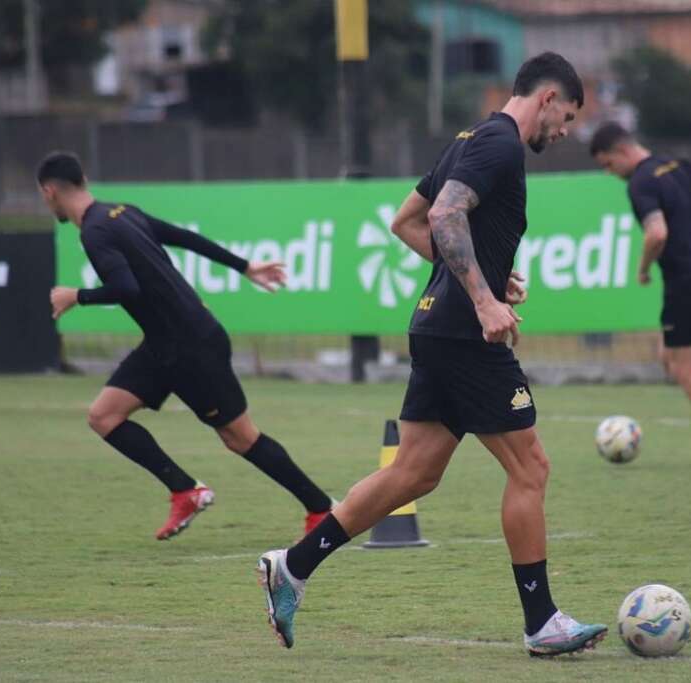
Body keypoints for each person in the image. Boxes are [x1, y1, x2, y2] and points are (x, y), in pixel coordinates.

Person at [255, 52, 608, 657]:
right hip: (466, 335)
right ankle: (542, 622)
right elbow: (442, 216)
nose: (567, 131)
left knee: (413, 473)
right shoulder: (500, 145)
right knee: (532, 468)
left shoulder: (469, 138)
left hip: (436, 327)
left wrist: (491, 278)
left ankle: (292, 566)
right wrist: (483, 300)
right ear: (547, 98)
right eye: (569, 116)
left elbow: (405, 221)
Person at [37, 151, 334, 541]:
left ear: (49, 192)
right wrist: (244, 266)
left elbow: (126, 288)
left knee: (240, 438)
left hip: (192, 346)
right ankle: (184, 490)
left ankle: (321, 509)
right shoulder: (121, 212)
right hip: (164, 344)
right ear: (83, 180)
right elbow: (185, 238)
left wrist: (77, 295)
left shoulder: (95, 231)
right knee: (104, 415)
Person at [590, 122, 691, 469]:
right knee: (679, 360)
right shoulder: (678, 165)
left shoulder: (641, 182)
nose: (611, 173)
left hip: (686, 278)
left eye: (608, 165)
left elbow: (656, 234)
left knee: (683, 369)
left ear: (620, 151)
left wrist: (643, 269)